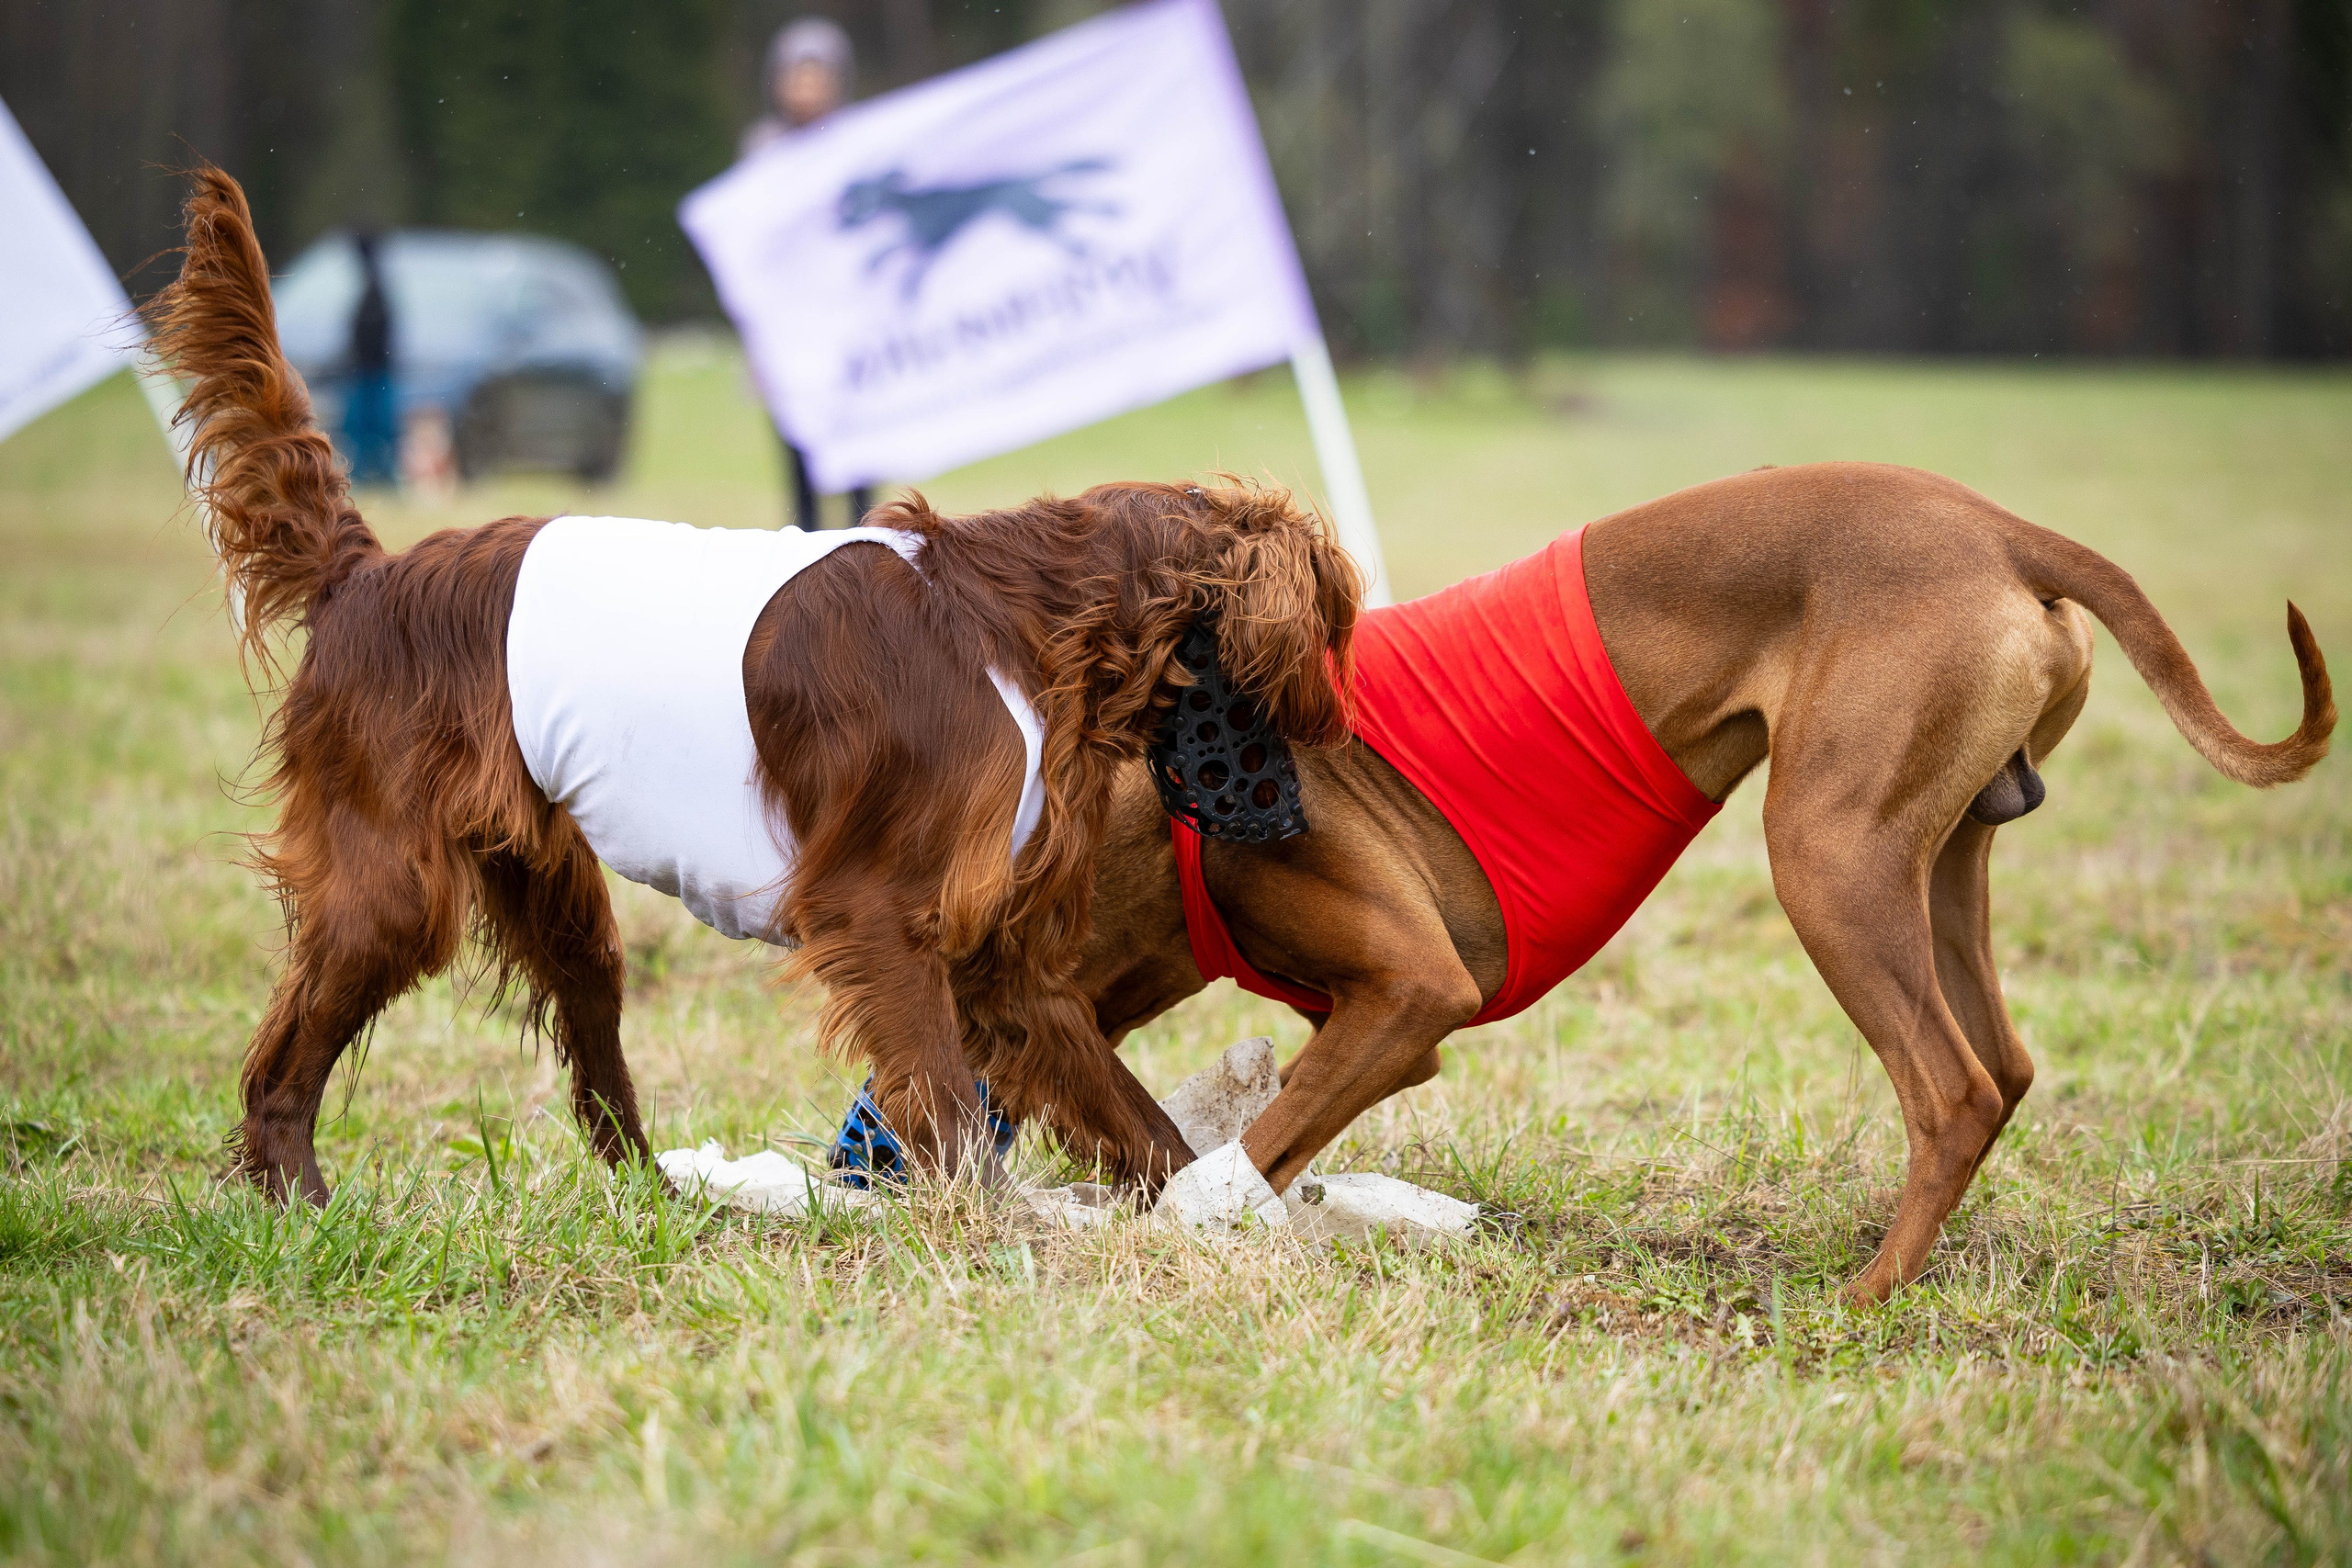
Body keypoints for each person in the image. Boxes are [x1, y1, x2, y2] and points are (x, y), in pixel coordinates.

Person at [741, 17, 871, 530]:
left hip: (846, 315)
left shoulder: (857, 143)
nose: (807, 89)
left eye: (818, 77)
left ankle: (865, 539)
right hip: (791, 319)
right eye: (797, 76)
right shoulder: (765, 148)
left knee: (859, 436)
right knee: (797, 437)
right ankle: (805, 543)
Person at [342, 231, 399, 487]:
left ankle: (374, 475)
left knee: (369, 426)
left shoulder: (374, 287)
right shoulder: (376, 286)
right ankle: (374, 474)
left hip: (370, 371)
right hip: (372, 370)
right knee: (372, 426)